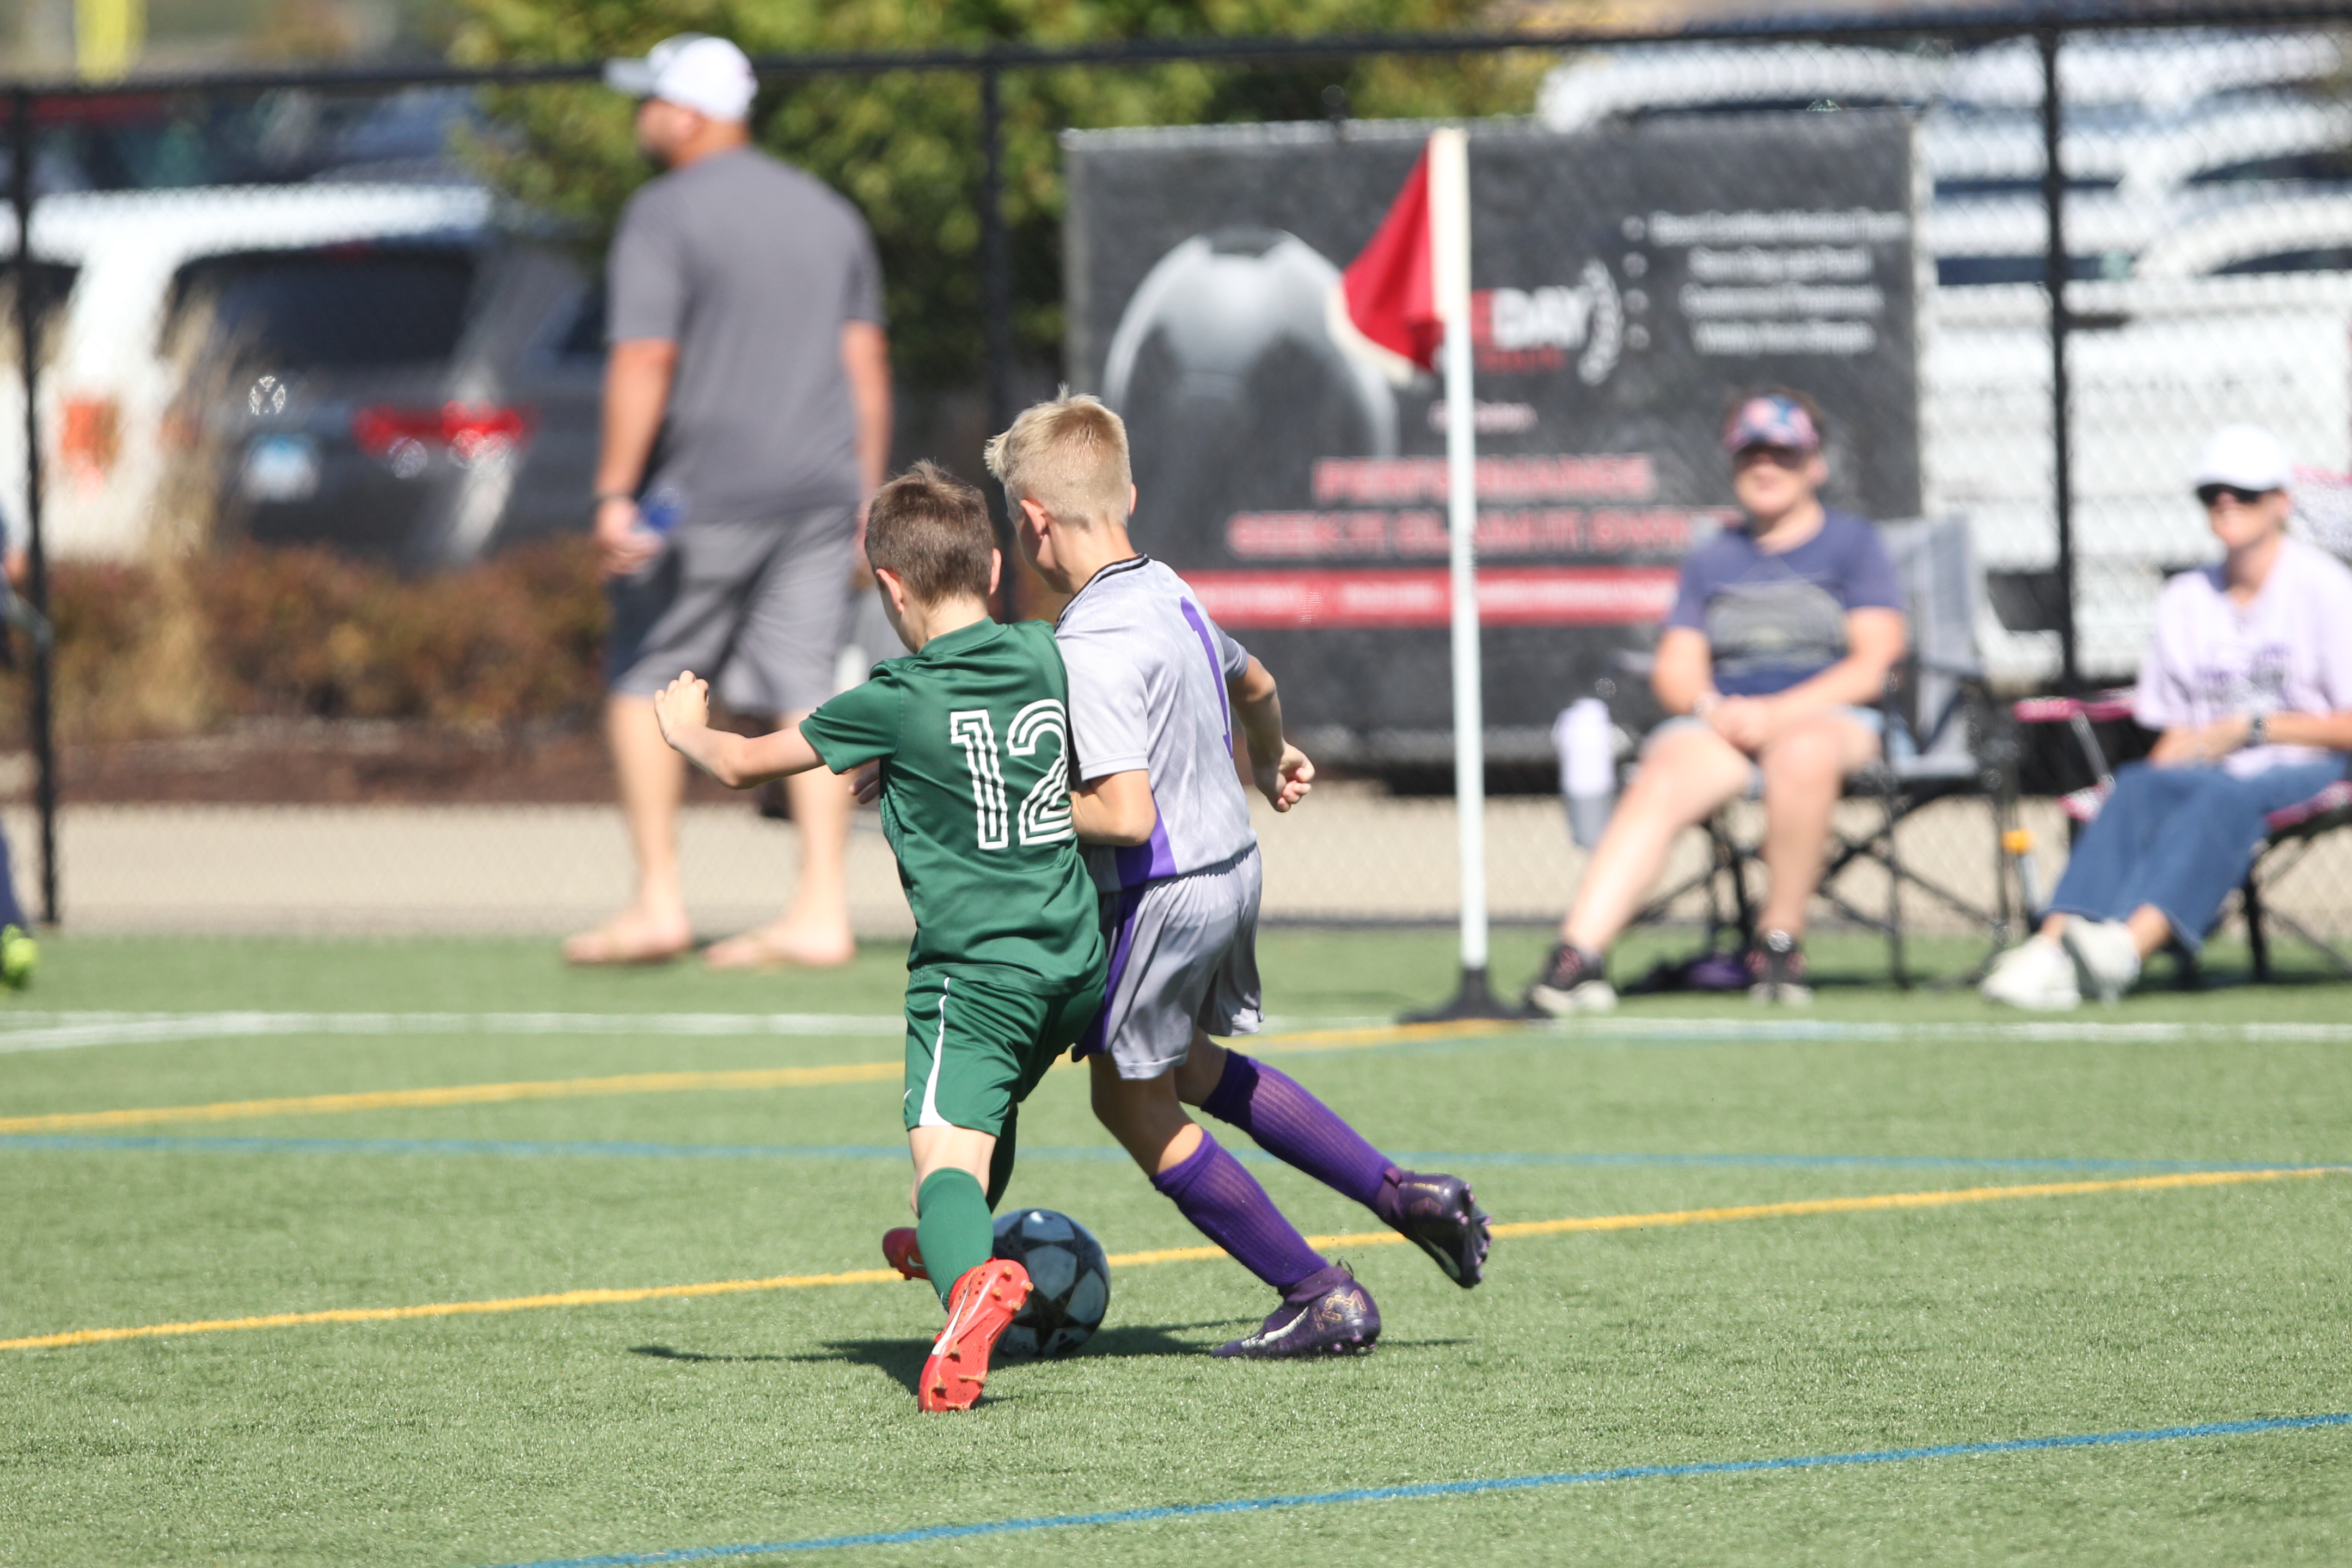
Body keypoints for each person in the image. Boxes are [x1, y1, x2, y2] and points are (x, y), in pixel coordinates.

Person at [984, 393, 1491, 1359]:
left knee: (1129, 1102)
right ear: (1128, 495)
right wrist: (1269, 754)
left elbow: (1124, 816)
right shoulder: (1168, 588)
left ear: (1035, 522)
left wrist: (1015, 812)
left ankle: (1318, 1293)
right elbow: (1255, 681)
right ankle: (1406, 1195)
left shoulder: (1086, 645)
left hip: (1162, 891)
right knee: (1188, 1066)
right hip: (1232, 869)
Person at [654, 463, 1103, 1411]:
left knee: (943, 1161)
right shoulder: (1041, 652)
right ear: (992, 570)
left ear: (890, 588)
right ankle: (954, 1242)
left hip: (976, 978)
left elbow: (744, 764)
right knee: (984, 1121)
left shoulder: (895, 696)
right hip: (1074, 961)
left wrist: (687, 731)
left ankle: (969, 1280)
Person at [568, 33, 893, 969]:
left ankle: (658, 902)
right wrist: (865, 497)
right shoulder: (828, 211)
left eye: (653, 100)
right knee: (806, 688)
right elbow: (865, 362)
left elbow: (644, 356)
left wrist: (615, 493)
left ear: (689, 114)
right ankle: (820, 911)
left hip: (701, 494)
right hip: (821, 492)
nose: (642, 116)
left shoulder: (661, 213)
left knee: (643, 676)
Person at [1524, 390, 1909, 1013]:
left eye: (1783, 453)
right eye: (1751, 453)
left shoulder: (1855, 545)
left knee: (1802, 753)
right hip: (1727, 724)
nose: (1765, 466)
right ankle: (1579, 956)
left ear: (1814, 464)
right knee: (1665, 771)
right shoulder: (1712, 558)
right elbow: (1677, 669)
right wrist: (1713, 711)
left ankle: (1778, 945)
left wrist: (1779, 715)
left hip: (1830, 719)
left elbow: (1876, 662)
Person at [1982, 425, 2352, 1009]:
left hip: (2314, 764)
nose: (2226, 504)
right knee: (2137, 785)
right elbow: (2178, 731)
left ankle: (2125, 950)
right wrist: (2152, 791)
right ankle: (2050, 948)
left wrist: (2253, 729)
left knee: (2225, 796)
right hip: (2212, 766)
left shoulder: (2328, 589)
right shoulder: (2187, 597)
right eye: (2212, 494)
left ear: (2281, 502)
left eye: (2244, 492)